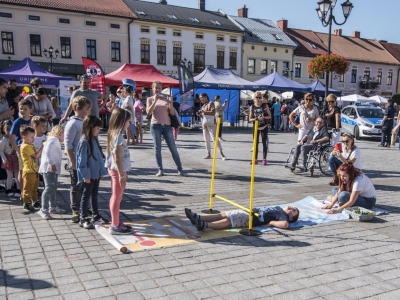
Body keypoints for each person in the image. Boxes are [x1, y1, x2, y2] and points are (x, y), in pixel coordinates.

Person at [146, 81, 186, 177]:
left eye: (159, 88)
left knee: (173, 148)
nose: (157, 90)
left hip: (167, 126)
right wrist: (155, 100)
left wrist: (170, 103)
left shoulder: (166, 99)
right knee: (157, 149)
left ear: (161, 89)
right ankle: (160, 169)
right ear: (152, 88)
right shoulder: (150, 99)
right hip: (156, 126)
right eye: (156, 88)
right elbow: (148, 112)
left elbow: (172, 113)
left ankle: (180, 169)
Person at [76, 116, 108, 229]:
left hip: (95, 173)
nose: (99, 130)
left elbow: (98, 158)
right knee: (86, 195)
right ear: (90, 127)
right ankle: (83, 217)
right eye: (97, 128)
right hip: (89, 175)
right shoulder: (84, 141)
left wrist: (101, 172)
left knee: (94, 195)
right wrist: (85, 175)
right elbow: (82, 161)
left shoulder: (93, 139)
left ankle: (95, 215)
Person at [64, 96, 92, 223]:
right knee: (76, 186)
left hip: (86, 161)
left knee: (86, 185)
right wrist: (72, 161)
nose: (89, 111)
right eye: (87, 109)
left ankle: (85, 206)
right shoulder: (72, 124)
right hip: (76, 161)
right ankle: (75, 209)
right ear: (78, 108)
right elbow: (68, 145)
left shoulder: (85, 122)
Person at [105, 108, 133, 235]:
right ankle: (115, 225)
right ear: (122, 121)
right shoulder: (118, 137)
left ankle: (115, 221)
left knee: (116, 197)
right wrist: (122, 175)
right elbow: (117, 158)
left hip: (119, 171)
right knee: (116, 197)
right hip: (117, 171)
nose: (130, 123)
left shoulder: (116, 135)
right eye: (128, 121)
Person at [185, 205, 299, 231]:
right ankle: (198, 218)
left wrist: (271, 223)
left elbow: (285, 224)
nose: (291, 207)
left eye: (293, 210)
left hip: (252, 219)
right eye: (294, 207)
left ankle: (204, 225)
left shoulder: (283, 215)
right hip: (248, 212)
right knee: (225, 214)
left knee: (229, 220)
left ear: (290, 217)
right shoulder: (279, 208)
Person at [37, 125, 65, 219]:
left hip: (52, 167)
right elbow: (48, 152)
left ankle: (52, 206)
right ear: (60, 133)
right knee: (49, 187)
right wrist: (52, 163)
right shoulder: (54, 140)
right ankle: (43, 209)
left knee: (53, 187)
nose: (64, 137)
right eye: (64, 135)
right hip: (49, 168)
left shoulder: (52, 140)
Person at [10, 99, 33, 195]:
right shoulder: (17, 122)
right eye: (21, 109)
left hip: (32, 149)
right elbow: (12, 137)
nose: (23, 111)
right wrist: (18, 150)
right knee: (22, 170)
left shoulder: (33, 120)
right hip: (22, 149)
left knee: (32, 170)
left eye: (25, 109)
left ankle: (31, 190)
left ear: (30, 110)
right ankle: (22, 191)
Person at [20, 126, 43, 211]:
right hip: (29, 171)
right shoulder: (25, 146)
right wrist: (42, 147)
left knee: (35, 187)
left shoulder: (29, 145)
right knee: (28, 187)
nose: (33, 139)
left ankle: (35, 200)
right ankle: (26, 202)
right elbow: (36, 156)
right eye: (32, 137)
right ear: (24, 137)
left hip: (34, 170)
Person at [197, 93, 226, 161]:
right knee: (206, 140)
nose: (201, 99)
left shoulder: (210, 103)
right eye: (200, 98)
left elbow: (213, 112)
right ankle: (208, 153)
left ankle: (221, 153)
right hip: (205, 124)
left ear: (205, 97)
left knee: (215, 138)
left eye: (201, 97)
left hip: (211, 123)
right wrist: (200, 115)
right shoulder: (203, 106)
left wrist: (204, 111)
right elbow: (204, 116)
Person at [248, 91, 271, 166]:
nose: (258, 99)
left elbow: (270, 116)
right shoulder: (252, 106)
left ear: (261, 98)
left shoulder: (265, 105)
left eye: (259, 97)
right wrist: (256, 119)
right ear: (254, 98)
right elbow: (250, 119)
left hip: (264, 126)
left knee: (264, 143)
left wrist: (263, 117)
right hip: (256, 127)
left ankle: (264, 159)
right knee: (255, 143)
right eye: (257, 97)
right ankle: (255, 159)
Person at [0, 120, 20, 197]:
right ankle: (8, 189)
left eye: (11, 129)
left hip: (16, 158)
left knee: (17, 174)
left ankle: (18, 189)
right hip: (8, 159)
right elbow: (1, 151)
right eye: (7, 129)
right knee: (10, 175)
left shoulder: (15, 138)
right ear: (3, 129)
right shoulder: (3, 141)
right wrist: (4, 159)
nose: (9, 131)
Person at [121, 80, 136, 145]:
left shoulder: (129, 97)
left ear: (127, 92)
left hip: (128, 114)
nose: (123, 92)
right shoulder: (128, 97)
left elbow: (129, 106)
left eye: (124, 91)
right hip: (127, 114)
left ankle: (128, 141)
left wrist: (126, 107)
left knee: (127, 128)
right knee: (129, 128)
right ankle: (133, 140)